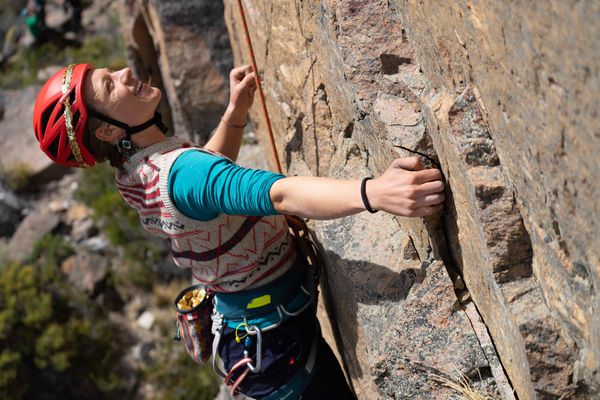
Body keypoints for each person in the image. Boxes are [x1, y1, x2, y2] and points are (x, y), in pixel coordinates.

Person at [32, 63, 445, 399]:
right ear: (107, 130)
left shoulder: (134, 173)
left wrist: (233, 116)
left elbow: (207, 184)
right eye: (110, 85)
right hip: (282, 346)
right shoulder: (183, 175)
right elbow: (278, 196)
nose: (124, 72)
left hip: (258, 338)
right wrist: (374, 192)